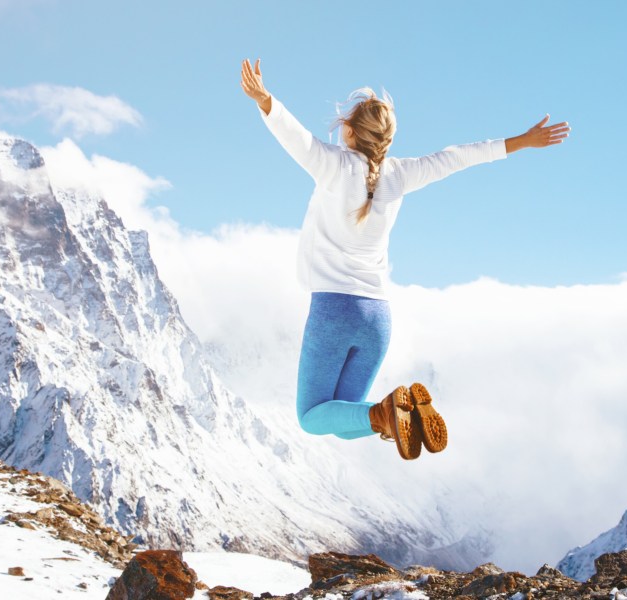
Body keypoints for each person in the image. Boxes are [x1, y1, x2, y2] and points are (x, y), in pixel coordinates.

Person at [240, 58, 569, 461]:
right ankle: (392, 415)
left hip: (333, 311)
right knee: (348, 422)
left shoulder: (333, 165)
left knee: (311, 417)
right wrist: (522, 141)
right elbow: (459, 156)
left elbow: (295, 136)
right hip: (378, 319)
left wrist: (264, 98)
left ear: (348, 130)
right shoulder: (401, 174)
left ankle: (387, 413)